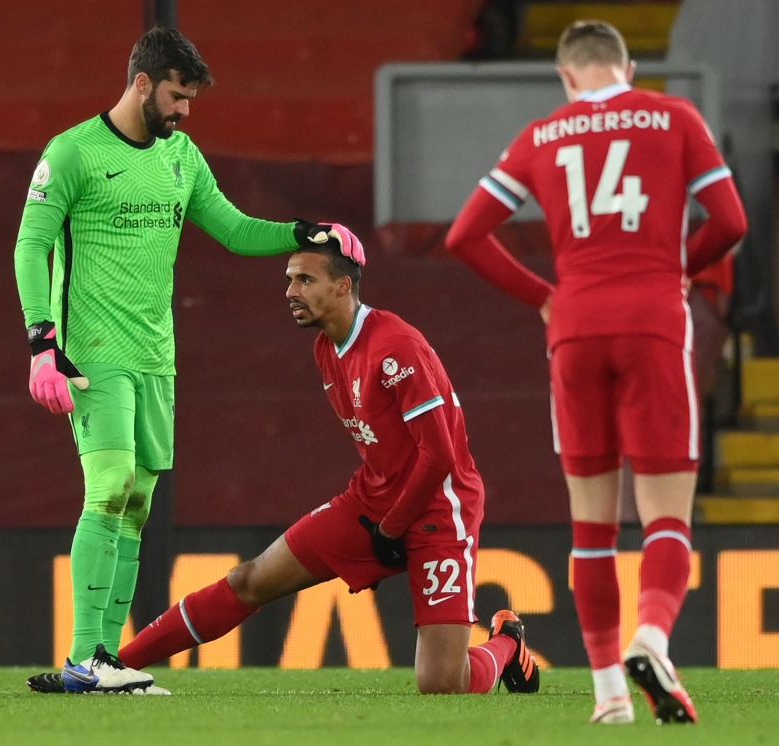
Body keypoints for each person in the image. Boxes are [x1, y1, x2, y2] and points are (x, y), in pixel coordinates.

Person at [15, 26, 363, 695]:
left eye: (190, 100)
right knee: (110, 485)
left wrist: (307, 232)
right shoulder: (72, 154)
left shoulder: (181, 157)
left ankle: (105, 660)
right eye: (177, 96)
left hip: (155, 358)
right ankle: (84, 658)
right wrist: (40, 344)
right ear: (143, 83)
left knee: (137, 503)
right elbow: (30, 247)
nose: (184, 111)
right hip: (90, 354)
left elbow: (233, 229)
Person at [445, 20, 747, 724]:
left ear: (565, 75)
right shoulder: (674, 117)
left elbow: (465, 234)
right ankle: (653, 636)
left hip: (574, 328)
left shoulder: (542, 135)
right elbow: (729, 221)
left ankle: (610, 694)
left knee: (592, 527)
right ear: (628, 68)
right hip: (652, 320)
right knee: (668, 512)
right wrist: (676, 270)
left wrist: (545, 298)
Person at [109, 241, 541, 696]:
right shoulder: (326, 347)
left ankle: (507, 645)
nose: (291, 291)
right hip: (374, 501)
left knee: (442, 684)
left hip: (439, 508)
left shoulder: (396, 346)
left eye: (305, 280)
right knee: (249, 579)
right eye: (289, 280)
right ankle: (114, 668)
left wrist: (391, 530)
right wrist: (383, 521)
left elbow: (440, 457)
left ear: (343, 286)